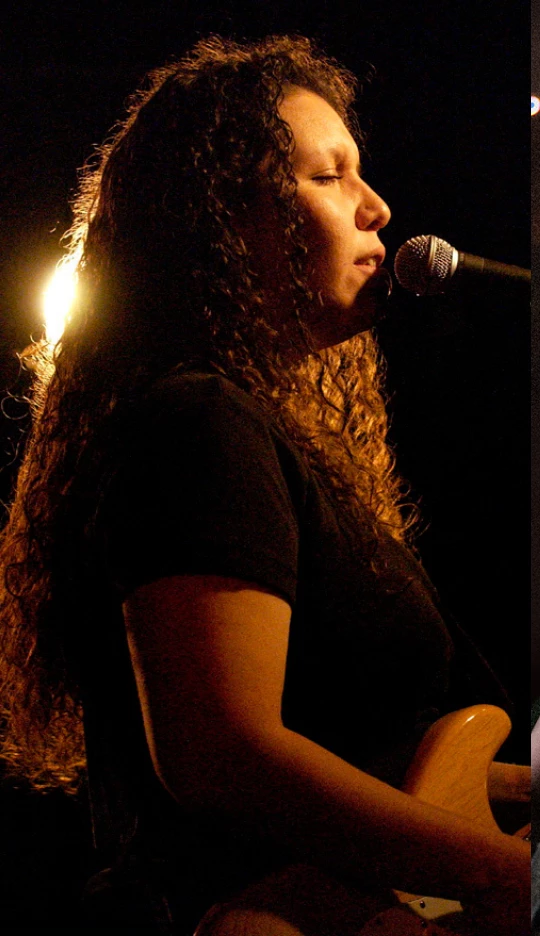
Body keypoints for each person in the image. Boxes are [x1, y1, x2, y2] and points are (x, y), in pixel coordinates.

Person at [0, 34, 529, 935]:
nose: (377, 207)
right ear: (221, 221)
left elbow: (384, 759)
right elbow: (223, 756)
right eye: (328, 177)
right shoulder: (195, 419)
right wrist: (501, 874)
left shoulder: (243, 426)